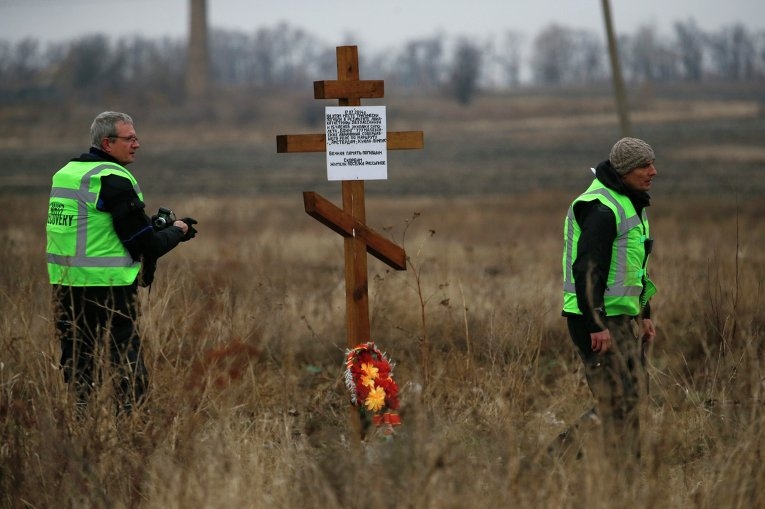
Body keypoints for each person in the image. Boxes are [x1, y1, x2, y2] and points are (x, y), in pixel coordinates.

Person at [46, 111, 198, 414]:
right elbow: (147, 245)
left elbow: (95, 230)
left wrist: (151, 226)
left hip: (66, 286)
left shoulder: (67, 174)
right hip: (109, 287)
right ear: (107, 142)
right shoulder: (112, 179)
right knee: (125, 358)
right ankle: (132, 424)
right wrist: (177, 231)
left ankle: (79, 423)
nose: (137, 144)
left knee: (78, 361)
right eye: (130, 138)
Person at [560, 137, 658, 472]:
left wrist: (644, 314)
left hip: (618, 317)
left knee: (630, 396)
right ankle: (548, 466)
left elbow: (635, 266)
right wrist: (596, 324)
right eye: (645, 166)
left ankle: (626, 474)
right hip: (596, 318)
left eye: (652, 163)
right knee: (617, 399)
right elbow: (587, 269)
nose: (653, 171)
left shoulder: (629, 202)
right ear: (626, 170)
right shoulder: (603, 208)